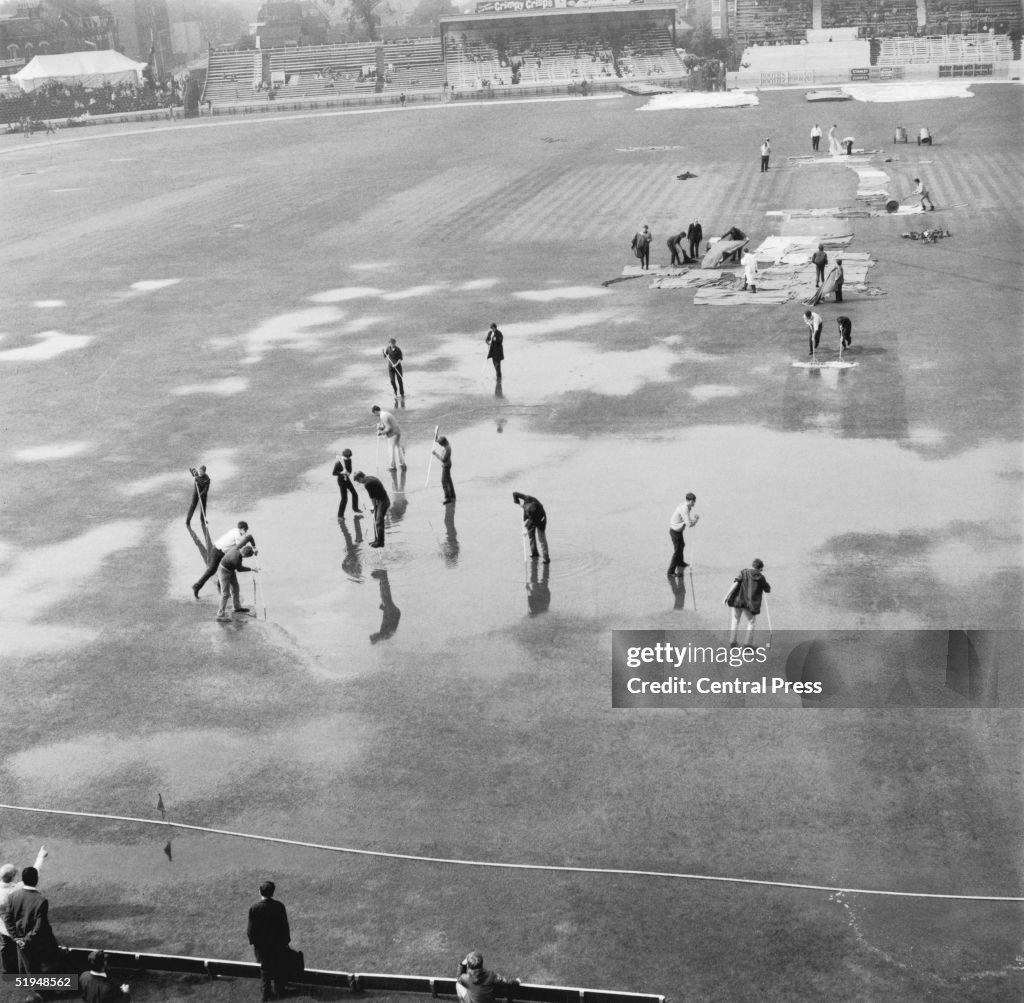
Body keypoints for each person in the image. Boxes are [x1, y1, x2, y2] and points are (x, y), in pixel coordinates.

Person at [0, 866, 60, 977]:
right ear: (36, 880)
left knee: (25, 961)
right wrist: (26, 939)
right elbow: (39, 926)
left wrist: (16, 938)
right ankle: (44, 990)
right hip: (34, 938)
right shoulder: (41, 900)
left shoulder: (13, 895)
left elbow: (8, 918)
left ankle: (26, 981)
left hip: (19, 936)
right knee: (46, 961)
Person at [0, 847, 46, 975]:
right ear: (13, 877)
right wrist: (40, 856)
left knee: (4, 947)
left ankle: (6, 968)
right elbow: (35, 872)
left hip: (3, 927)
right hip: (16, 927)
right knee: (21, 948)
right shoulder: (15, 890)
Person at [246, 880, 291, 1003]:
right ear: (273, 892)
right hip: (277, 943)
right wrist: (286, 941)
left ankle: (266, 994)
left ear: (260, 891)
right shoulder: (279, 906)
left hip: (262, 946)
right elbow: (284, 926)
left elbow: (251, 930)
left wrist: (254, 942)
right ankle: (280, 990)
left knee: (265, 969)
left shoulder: (254, 908)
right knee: (278, 966)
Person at [192, 521, 256, 597]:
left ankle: (220, 585)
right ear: (241, 529)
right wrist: (252, 550)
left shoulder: (235, 530)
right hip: (217, 551)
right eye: (245, 530)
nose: (245, 532)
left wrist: (254, 546)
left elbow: (249, 537)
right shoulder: (237, 535)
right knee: (211, 570)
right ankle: (197, 586)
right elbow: (240, 549)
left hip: (222, 552)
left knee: (225, 568)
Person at [724, 558, 771, 647]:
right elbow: (767, 589)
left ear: (752, 566)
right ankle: (747, 645)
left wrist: (726, 596)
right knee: (751, 621)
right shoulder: (760, 577)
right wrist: (763, 577)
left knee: (735, 620)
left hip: (737, 602)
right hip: (749, 604)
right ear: (760, 568)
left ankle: (732, 642)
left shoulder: (744, 572)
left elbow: (735, 583)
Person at [455, 951, 521, 1003]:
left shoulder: (466, 978)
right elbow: (506, 982)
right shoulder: (491, 975)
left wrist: (462, 964)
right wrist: (516, 982)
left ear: (468, 966)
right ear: (481, 964)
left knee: (458, 984)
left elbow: (459, 976)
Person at [216, 543, 255, 621]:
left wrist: (254, 550)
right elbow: (240, 569)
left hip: (230, 569)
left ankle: (237, 607)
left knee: (236, 588)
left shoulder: (238, 548)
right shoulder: (236, 559)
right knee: (225, 594)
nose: (245, 558)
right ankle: (220, 614)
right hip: (223, 571)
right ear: (244, 555)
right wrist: (251, 569)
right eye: (246, 557)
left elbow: (247, 538)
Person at [354, 471, 390, 547]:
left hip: (383, 502)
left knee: (378, 522)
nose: (359, 483)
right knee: (376, 521)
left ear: (360, 478)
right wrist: (375, 506)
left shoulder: (367, 484)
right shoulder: (371, 477)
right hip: (382, 500)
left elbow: (372, 497)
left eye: (358, 481)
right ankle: (376, 540)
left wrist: (374, 506)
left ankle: (380, 542)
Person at [667, 493, 698, 577]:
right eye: (692, 501)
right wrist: (696, 520)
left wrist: (693, 520)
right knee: (677, 551)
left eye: (694, 501)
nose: (693, 503)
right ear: (688, 501)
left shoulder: (687, 507)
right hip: (675, 531)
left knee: (682, 545)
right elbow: (689, 524)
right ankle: (670, 572)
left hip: (678, 530)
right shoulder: (684, 509)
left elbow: (686, 519)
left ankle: (680, 562)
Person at [513, 491, 548, 562]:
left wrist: (525, 530)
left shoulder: (534, 511)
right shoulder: (527, 498)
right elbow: (515, 494)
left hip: (540, 520)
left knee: (541, 539)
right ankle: (534, 553)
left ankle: (546, 558)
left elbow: (532, 520)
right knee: (531, 536)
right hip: (532, 518)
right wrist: (518, 502)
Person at [372, 405, 407, 471]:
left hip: (393, 434)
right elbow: (387, 425)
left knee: (391, 450)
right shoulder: (386, 413)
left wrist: (381, 433)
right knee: (398, 448)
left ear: (375, 411)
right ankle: (403, 464)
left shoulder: (383, 416)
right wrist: (381, 427)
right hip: (397, 431)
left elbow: (389, 428)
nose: (375, 415)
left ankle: (392, 466)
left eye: (374, 413)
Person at [332, 450, 362, 518]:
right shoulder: (338, 463)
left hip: (346, 479)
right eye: (347, 457)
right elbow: (333, 473)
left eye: (349, 457)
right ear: (343, 456)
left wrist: (348, 473)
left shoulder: (349, 460)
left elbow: (350, 469)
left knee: (355, 494)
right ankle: (340, 516)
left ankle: (355, 508)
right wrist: (341, 473)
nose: (348, 459)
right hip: (341, 481)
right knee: (344, 499)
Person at [432, 435, 455, 504]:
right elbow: (440, 441)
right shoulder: (446, 444)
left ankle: (448, 498)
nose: (440, 445)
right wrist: (436, 438)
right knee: (449, 481)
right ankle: (452, 495)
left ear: (444, 443)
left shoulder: (447, 449)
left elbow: (443, 460)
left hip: (446, 466)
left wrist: (435, 454)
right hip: (448, 464)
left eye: (441, 444)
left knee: (444, 482)